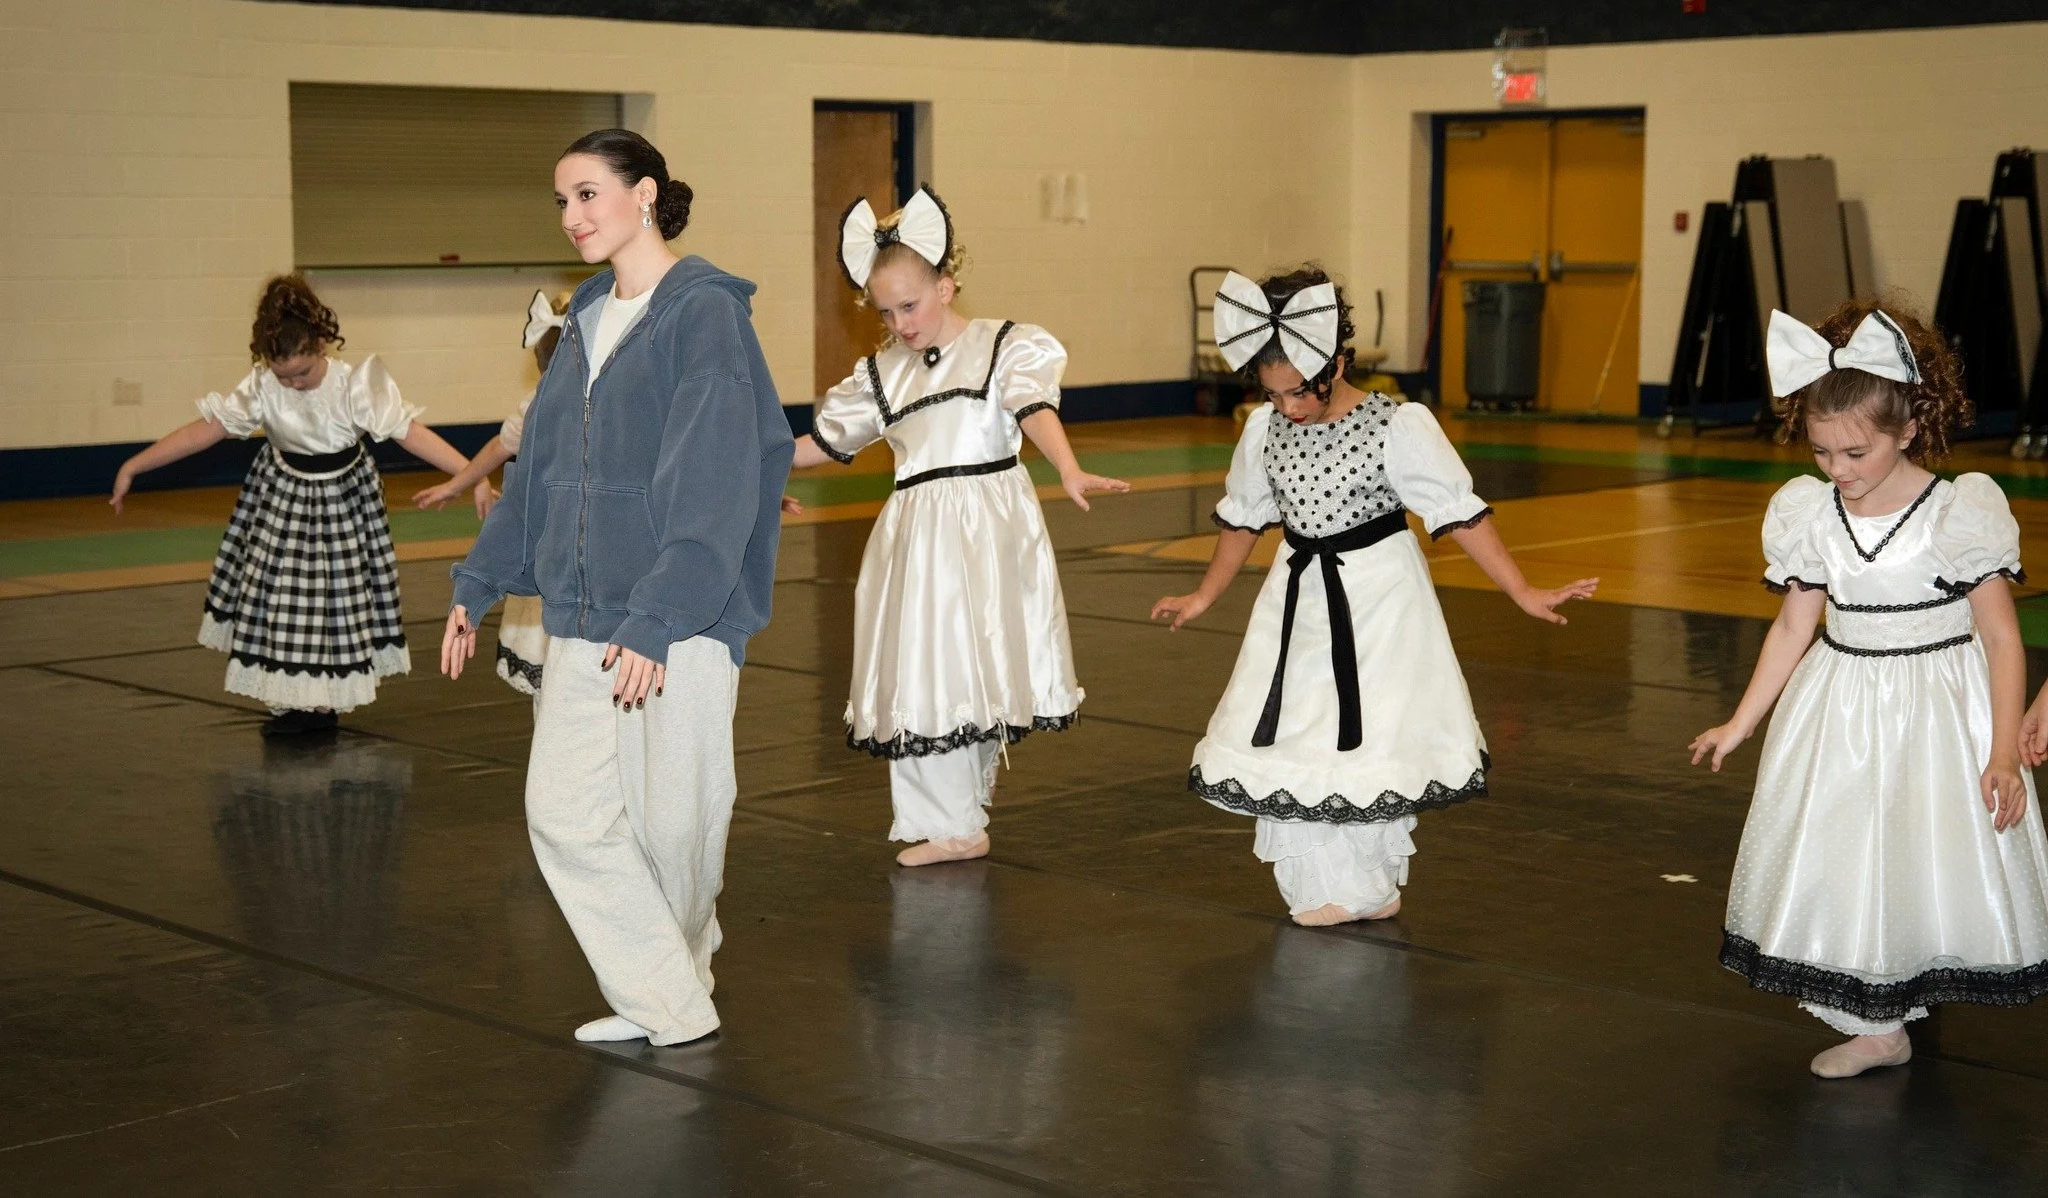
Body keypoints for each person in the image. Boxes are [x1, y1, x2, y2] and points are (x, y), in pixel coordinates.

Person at [442, 129, 793, 1047]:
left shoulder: (704, 315)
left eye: (589, 194)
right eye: (561, 201)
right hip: (580, 619)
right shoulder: (585, 318)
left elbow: (717, 480)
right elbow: (540, 474)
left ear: (646, 194)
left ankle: (676, 982)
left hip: (678, 624)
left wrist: (660, 616)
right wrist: (478, 582)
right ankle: (665, 996)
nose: (572, 217)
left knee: (677, 828)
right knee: (562, 812)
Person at [1151, 268, 1596, 926]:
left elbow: (1459, 513)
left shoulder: (1396, 424)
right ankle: (1340, 884)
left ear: (1335, 361)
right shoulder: (1265, 431)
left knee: (1370, 734)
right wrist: (1204, 595)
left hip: (1379, 598)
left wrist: (1522, 589)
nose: (1288, 408)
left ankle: (1364, 884)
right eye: (1272, 395)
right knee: (1301, 732)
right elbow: (1244, 518)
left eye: (1297, 391)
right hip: (1300, 597)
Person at [1691, 303, 2048, 1078]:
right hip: (1842, 708)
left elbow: (2000, 636)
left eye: (1856, 452)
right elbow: (1793, 627)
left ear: (1909, 430)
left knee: (1921, 851)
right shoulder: (1810, 514)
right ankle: (1875, 1021)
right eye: (1822, 452)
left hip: (1938, 711)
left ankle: (1907, 980)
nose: (1838, 470)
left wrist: (2002, 752)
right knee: (1847, 853)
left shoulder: (1958, 514)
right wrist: (1741, 722)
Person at [787, 186, 1128, 867]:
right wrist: (748, 471)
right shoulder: (882, 375)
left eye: (910, 305)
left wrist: (1066, 466)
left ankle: (962, 815)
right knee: (925, 665)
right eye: (885, 312)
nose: (900, 324)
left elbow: (1032, 407)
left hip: (988, 524)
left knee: (975, 663)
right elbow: (816, 444)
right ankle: (948, 821)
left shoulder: (1004, 345)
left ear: (947, 284)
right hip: (920, 532)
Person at [111, 273, 468, 737]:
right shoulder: (263, 385)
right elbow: (206, 430)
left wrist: (469, 475)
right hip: (282, 498)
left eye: (302, 372)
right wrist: (135, 465)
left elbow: (411, 433)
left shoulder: (353, 385)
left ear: (322, 345)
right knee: (281, 597)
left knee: (334, 600)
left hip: (342, 504)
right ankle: (293, 696)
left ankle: (322, 702)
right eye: (284, 376)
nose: (294, 384)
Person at [414, 288, 571, 695]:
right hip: (547, 552)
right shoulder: (535, 407)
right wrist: (457, 483)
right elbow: (498, 450)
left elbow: (495, 451)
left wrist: (458, 483)